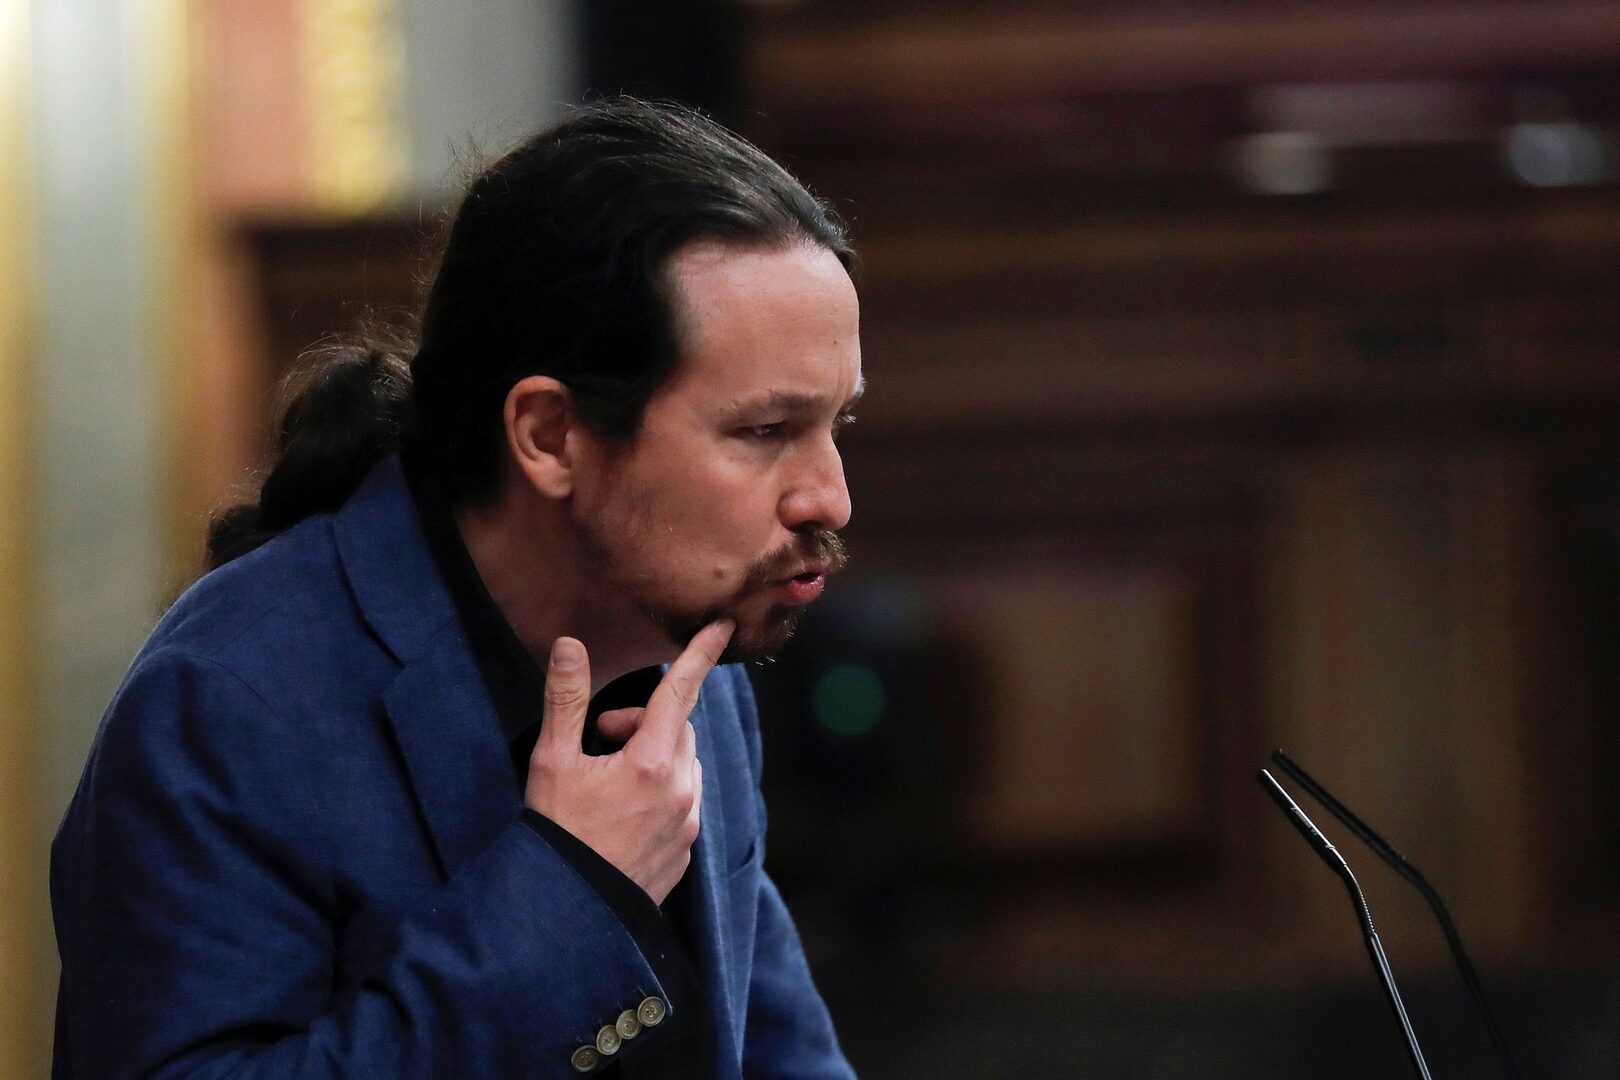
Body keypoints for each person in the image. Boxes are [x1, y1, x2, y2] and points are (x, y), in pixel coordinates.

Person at [50, 98, 863, 1079]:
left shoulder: (692, 648)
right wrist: (571, 895)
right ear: (550, 436)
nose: (831, 497)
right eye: (765, 432)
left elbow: (779, 1055)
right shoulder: (230, 700)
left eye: (837, 426)